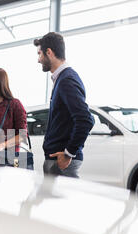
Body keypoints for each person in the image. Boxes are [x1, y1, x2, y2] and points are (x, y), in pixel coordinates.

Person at [33, 32, 94, 178]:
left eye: (40, 54)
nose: (38, 60)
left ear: (49, 52)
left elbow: (85, 120)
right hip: (56, 159)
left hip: (61, 161)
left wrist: (68, 153)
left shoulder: (67, 80)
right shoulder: (62, 79)